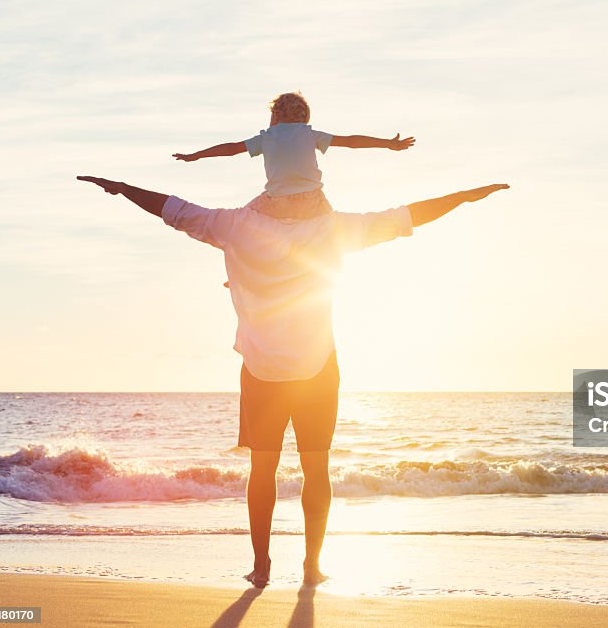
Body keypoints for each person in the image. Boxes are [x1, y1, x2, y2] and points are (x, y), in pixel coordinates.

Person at [76, 174, 508, 587]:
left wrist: (122, 189)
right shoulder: (331, 227)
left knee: (269, 469)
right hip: (315, 368)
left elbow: (172, 209)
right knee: (310, 468)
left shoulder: (234, 224)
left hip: (267, 369)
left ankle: (267, 565)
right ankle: (306, 567)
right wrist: (464, 196)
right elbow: (404, 217)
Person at [171, 91, 415, 220]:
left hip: (276, 202)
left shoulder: (266, 137)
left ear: (274, 116)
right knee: (331, 234)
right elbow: (351, 142)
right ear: (305, 118)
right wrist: (387, 144)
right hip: (313, 200)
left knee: (243, 222)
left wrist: (196, 156)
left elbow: (230, 148)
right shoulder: (310, 134)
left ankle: (241, 264)